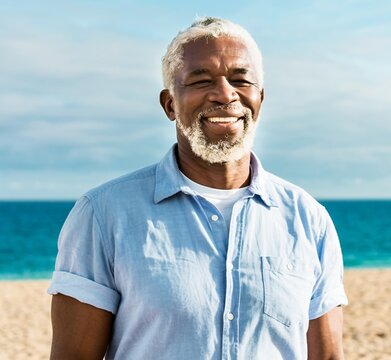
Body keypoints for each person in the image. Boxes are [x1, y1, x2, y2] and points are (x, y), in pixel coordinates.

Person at [48, 17, 348, 360]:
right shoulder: (102, 215)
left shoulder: (309, 219)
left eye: (240, 80)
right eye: (201, 80)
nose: (224, 94)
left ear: (259, 99)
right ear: (170, 104)